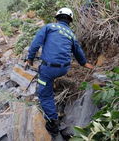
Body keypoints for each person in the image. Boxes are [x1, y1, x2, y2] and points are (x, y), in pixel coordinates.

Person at [25, 8, 94, 137]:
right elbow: (78, 52)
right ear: (70, 21)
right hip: (63, 69)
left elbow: (35, 43)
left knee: (45, 94)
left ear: (57, 17)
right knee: (50, 77)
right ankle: (52, 87)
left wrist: (29, 59)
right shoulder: (71, 34)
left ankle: (53, 122)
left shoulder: (49, 27)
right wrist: (84, 63)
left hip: (49, 69)